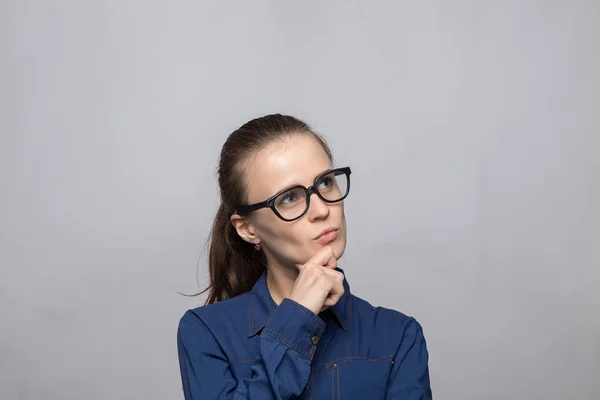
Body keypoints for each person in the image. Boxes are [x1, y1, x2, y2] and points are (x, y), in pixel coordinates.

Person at [177, 114, 432, 399]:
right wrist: (297, 320)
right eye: (289, 198)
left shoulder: (397, 336)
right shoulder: (206, 333)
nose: (322, 209)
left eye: (325, 183)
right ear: (248, 229)